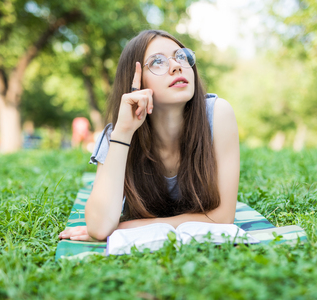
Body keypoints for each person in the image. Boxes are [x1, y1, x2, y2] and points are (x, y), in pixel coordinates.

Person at [59, 30, 240, 241]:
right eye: (157, 62)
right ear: (136, 82)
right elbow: (99, 228)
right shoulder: (117, 134)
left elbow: (223, 217)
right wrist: (124, 133)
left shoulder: (217, 114)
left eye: (181, 56)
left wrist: (125, 227)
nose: (176, 66)